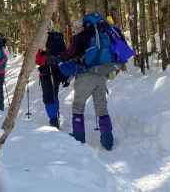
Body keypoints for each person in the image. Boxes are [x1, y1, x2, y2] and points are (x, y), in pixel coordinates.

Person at [60, 12, 132, 151]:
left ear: (86, 24)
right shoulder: (104, 33)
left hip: (86, 75)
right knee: (101, 107)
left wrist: (59, 58)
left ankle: (78, 139)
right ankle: (107, 140)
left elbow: (69, 53)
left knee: (78, 106)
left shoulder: (82, 36)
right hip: (102, 75)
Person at [35, 30, 69, 128]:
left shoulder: (44, 42)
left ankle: (53, 120)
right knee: (54, 94)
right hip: (57, 72)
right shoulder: (59, 41)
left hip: (45, 73)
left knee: (48, 97)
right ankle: (56, 114)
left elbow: (37, 61)